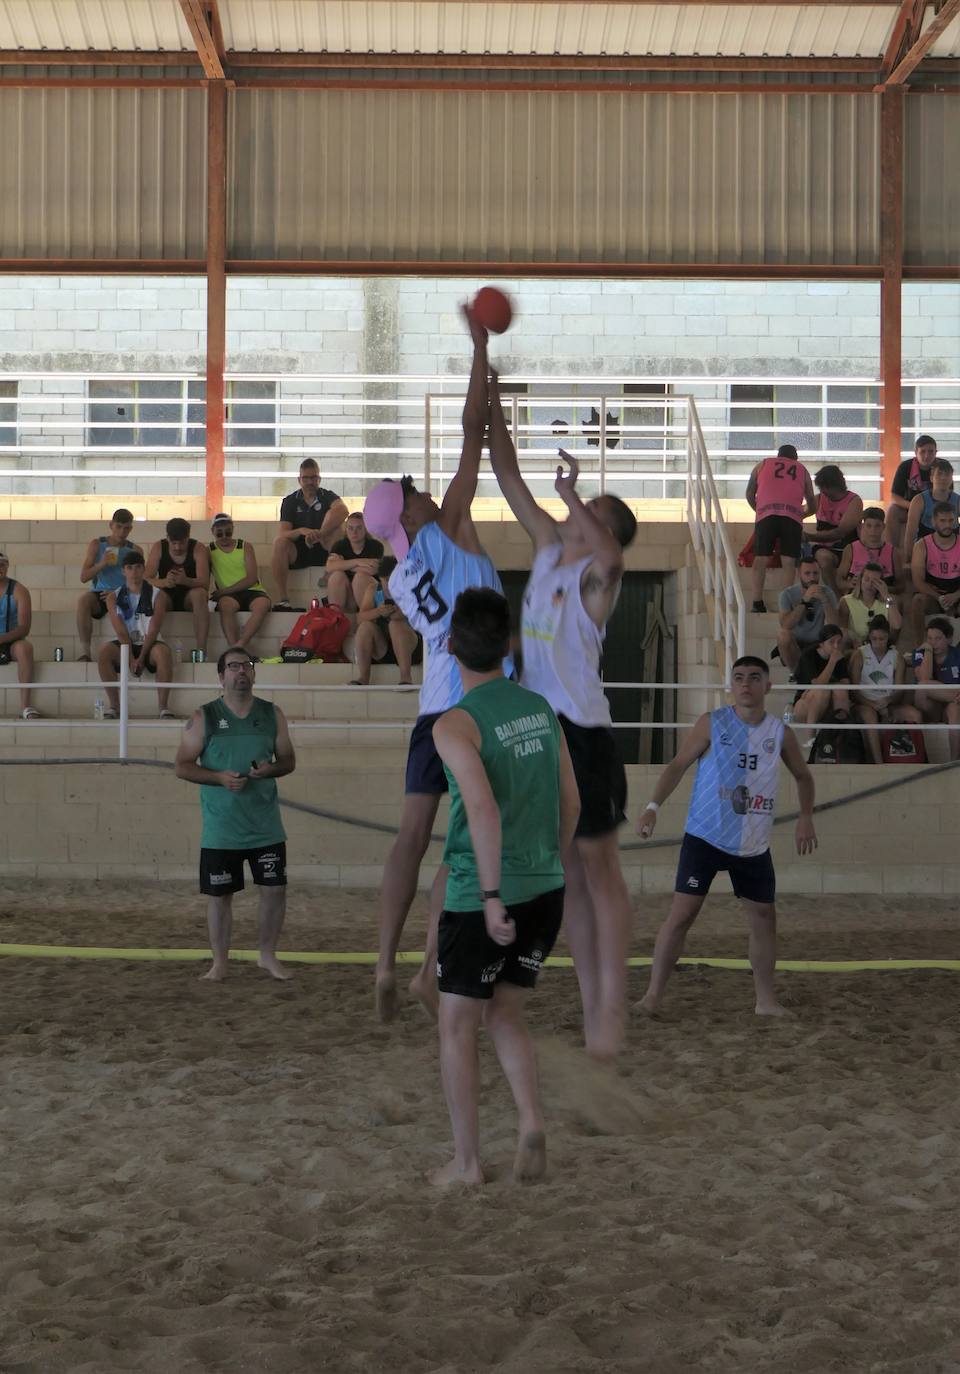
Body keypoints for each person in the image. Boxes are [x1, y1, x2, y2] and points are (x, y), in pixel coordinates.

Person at [363, 306, 509, 1023]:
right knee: (473, 840)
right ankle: (427, 968)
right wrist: (479, 353)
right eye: (412, 488)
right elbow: (471, 436)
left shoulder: (397, 573)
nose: (422, 486)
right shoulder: (446, 531)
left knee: (411, 839)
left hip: (431, 710)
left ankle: (389, 964)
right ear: (413, 515)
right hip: (478, 708)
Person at [489, 384, 638, 1061]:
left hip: (585, 734)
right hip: (544, 734)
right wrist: (487, 376)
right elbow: (506, 469)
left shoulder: (596, 582)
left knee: (600, 870)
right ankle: (590, 1007)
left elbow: (610, 555)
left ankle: (613, 1009)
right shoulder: (550, 551)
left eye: (589, 515)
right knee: (570, 877)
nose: (574, 517)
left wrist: (580, 496)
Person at [431, 589, 580, 1187]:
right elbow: (571, 802)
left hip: (481, 895)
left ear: (449, 646)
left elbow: (482, 810)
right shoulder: (541, 708)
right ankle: (529, 1120)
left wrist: (493, 895)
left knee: (457, 1026)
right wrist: (549, 868)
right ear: (507, 646)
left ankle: (467, 1163)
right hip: (546, 885)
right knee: (508, 1015)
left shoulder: (453, 725)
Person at [636, 656, 816, 1018]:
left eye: (753, 677)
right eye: (738, 678)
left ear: (768, 686)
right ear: (730, 686)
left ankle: (765, 1001)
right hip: (705, 835)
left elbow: (803, 776)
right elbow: (677, 764)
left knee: (764, 916)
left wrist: (806, 818)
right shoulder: (712, 723)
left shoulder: (780, 733)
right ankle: (651, 997)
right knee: (682, 914)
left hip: (752, 843)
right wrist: (653, 806)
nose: (745, 683)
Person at [175, 647, 296, 981]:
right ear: (221, 676)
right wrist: (218, 778)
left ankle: (267, 955)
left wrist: (270, 769)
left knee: (274, 890)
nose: (241, 671)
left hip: (265, 826)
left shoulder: (273, 714)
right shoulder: (204, 716)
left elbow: (288, 760)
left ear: (254, 673)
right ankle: (220, 962)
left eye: (247, 665)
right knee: (219, 896)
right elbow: (182, 766)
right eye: (233, 666)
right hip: (221, 828)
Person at [98, 550, 175, 719]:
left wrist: (141, 658)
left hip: (150, 642)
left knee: (163, 653)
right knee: (104, 653)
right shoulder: (113, 598)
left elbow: (153, 629)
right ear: (123, 571)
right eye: (130, 568)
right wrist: (131, 657)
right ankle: (115, 706)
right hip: (126, 643)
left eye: (139, 567)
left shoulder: (158, 595)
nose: (134, 572)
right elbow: (120, 631)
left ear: (144, 569)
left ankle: (163, 706)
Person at [744, 443, 815, 612]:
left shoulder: (762, 464)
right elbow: (812, 500)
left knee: (760, 558)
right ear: (795, 458)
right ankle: (786, 603)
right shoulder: (802, 469)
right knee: (789, 561)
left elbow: (749, 493)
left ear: (778, 456)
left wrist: (759, 510)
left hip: (766, 514)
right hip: (791, 516)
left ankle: (757, 602)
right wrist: (802, 514)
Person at [270, 459, 348, 610]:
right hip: (300, 551)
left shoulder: (327, 496)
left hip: (325, 549)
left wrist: (321, 533)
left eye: (313, 478)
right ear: (299, 480)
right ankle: (284, 599)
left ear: (319, 479)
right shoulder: (290, 501)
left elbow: (343, 511)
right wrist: (301, 531)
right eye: (306, 478)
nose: (310, 482)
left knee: (337, 528)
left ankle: (330, 584)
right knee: (279, 543)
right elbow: (283, 533)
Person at [850, 616, 920, 765]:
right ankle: (879, 764)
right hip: (864, 703)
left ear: (888, 637)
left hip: (887, 703)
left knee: (915, 715)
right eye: (874, 639)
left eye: (882, 639)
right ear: (869, 637)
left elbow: (899, 690)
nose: (878, 643)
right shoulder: (860, 654)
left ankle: (919, 759)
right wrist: (872, 704)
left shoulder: (897, 657)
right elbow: (853, 691)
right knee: (870, 716)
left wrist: (887, 702)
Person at [75, 508, 140, 662]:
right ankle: (85, 651)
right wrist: (102, 563)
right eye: (118, 527)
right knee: (84, 601)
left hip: (124, 594)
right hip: (101, 593)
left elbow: (138, 581)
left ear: (130, 529)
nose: (122, 532)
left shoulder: (135, 550)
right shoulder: (98, 544)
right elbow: (84, 577)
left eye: (126, 528)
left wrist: (119, 593)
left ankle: (132, 650)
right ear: (111, 525)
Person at [145, 518, 210, 658]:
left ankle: (201, 650)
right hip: (167, 596)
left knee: (200, 594)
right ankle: (148, 645)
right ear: (167, 538)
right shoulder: (159, 547)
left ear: (188, 538)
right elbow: (145, 579)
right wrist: (163, 582)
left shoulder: (198, 548)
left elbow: (205, 582)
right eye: (174, 543)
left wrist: (186, 581)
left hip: (189, 597)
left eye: (182, 543)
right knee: (158, 596)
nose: (177, 548)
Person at [351, 556, 420, 687]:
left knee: (396, 624)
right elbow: (360, 618)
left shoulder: (410, 589)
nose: (390, 585)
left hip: (410, 646)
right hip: (384, 648)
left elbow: (413, 614)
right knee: (365, 627)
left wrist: (395, 612)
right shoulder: (373, 589)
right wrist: (378, 611)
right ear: (380, 579)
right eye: (386, 580)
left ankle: (405, 677)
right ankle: (363, 677)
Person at [208, 514, 272, 653]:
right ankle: (234, 648)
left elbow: (251, 578)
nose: (224, 537)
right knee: (225, 606)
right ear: (212, 531)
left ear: (233, 529)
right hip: (230, 597)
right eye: (220, 534)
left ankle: (241, 644)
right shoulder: (210, 551)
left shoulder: (244, 546)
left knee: (262, 605)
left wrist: (224, 591)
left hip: (251, 590)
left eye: (228, 533)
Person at [803, 465, 864, 591]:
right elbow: (799, 513)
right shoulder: (819, 499)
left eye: (824, 487)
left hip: (848, 548)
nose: (822, 491)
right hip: (825, 548)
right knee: (824, 559)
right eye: (820, 488)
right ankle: (835, 597)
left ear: (835, 485)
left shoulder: (854, 501)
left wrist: (809, 536)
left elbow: (840, 532)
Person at [775, 557, 839, 673]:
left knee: (841, 636)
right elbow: (786, 625)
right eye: (807, 573)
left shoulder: (828, 592)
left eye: (815, 573)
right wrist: (804, 601)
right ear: (799, 574)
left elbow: (836, 625)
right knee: (783, 635)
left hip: (818, 642)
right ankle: (795, 673)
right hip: (796, 642)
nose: (812, 578)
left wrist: (825, 600)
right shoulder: (787, 594)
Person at [910, 501, 960, 643]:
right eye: (943, 521)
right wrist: (940, 598)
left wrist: (955, 596)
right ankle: (920, 646)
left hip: (957, 594)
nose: (947, 525)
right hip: (934, 595)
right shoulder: (922, 545)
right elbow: (918, 581)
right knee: (917, 601)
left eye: (951, 520)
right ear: (933, 521)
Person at [912, 617, 960, 761]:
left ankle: (954, 761)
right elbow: (924, 679)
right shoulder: (920, 653)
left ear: (949, 639)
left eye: (938, 638)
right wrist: (928, 651)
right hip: (928, 708)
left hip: (949, 706)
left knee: (955, 709)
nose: (933, 643)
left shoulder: (957, 654)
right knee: (923, 686)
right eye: (930, 638)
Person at [789, 624, 852, 729]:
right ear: (822, 644)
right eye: (831, 642)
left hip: (830, 703)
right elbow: (818, 684)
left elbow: (846, 683)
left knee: (840, 690)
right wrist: (832, 662)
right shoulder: (808, 656)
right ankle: (811, 737)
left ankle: (842, 736)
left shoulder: (839, 657)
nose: (836, 646)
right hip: (804, 704)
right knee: (822, 691)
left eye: (839, 642)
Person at [0, 553, 39, 720]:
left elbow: (24, 628)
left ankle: (25, 706)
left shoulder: (19, 590)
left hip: (11, 641)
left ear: (7, 566)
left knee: (25, 648)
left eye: (2, 564)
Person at [886, 434, 938, 553]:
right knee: (892, 510)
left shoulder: (942, 467)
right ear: (916, 452)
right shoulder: (905, 467)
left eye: (931, 451)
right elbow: (894, 497)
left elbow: (948, 495)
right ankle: (890, 552)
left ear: (936, 452)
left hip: (935, 510)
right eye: (922, 451)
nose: (926, 455)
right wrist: (914, 507)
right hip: (909, 508)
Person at [325, 512, 384, 614]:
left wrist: (343, 564)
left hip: (368, 595)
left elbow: (372, 569)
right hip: (348, 596)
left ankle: (368, 619)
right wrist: (359, 562)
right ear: (346, 529)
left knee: (359, 577)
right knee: (336, 576)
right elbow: (330, 567)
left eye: (359, 528)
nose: (354, 532)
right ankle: (336, 619)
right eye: (350, 528)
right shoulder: (340, 545)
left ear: (365, 529)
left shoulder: (375, 546)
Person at [837, 506, 901, 593]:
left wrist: (883, 589)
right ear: (863, 526)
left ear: (883, 527)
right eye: (869, 525)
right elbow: (839, 581)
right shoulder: (851, 549)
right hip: (857, 597)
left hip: (881, 598)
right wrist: (851, 584)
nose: (873, 530)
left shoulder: (893, 552)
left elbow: (901, 586)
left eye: (877, 526)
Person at [903, 458, 959, 557]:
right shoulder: (919, 501)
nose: (943, 478)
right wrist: (908, 559)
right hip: (925, 550)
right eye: (939, 474)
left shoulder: (958, 500)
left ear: (951, 479)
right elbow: (910, 532)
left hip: (952, 550)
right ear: (931, 477)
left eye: (947, 475)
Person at [838, 563, 901, 645]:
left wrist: (886, 595)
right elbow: (842, 631)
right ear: (860, 580)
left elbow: (897, 625)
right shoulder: (846, 601)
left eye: (875, 581)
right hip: (856, 648)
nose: (870, 584)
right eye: (866, 579)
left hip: (881, 648)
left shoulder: (887, 602)